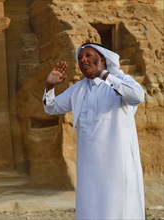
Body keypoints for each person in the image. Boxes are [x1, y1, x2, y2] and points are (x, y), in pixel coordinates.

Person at [43, 43, 145, 219]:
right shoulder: (79, 89)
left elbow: (137, 96)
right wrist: (49, 86)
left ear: (103, 59)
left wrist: (105, 76)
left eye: (89, 56)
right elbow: (51, 108)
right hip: (89, 164)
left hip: (117, 163)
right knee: (91, 208)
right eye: (81, 59)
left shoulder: (120, 80)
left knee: (118, 208)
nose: (83, 60)